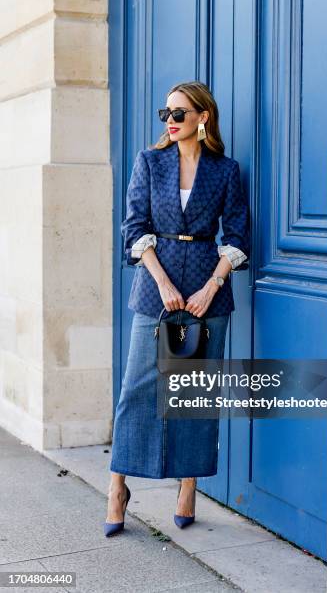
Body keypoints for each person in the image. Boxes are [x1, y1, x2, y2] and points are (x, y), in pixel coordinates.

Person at [104, 80, 250, 535]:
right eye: (165, 113)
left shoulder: (226, 171)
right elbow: (134, 227)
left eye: (179, 113)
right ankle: (117, 488)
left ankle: (188, 486)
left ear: (202, 117)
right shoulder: (149, 162)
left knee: (191, 394)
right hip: (155, 288)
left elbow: (238, 235)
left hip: (207, 291)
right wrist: (162, 281)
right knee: (137, 389)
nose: (170, 121)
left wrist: (211, 287)